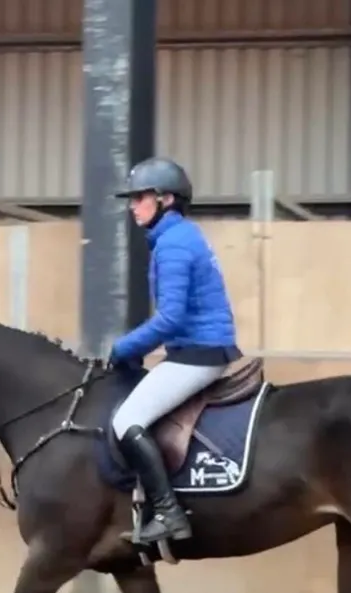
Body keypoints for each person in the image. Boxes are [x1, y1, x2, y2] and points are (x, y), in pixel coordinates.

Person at [108, 156, 241, 545]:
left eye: (139, 198)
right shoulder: (181, 236)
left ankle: (169, 513)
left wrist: (122, 348)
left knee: (126, 419)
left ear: (165, 199)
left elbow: (169, 319)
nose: (133, 206)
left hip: (198, 354)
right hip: (198, 348)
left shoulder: (173, 244)